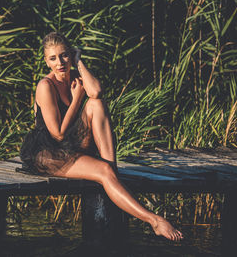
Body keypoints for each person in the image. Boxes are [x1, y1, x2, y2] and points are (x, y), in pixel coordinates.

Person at [19, 32, 183, 241]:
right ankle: (154, 221)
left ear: (71, 55)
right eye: (53, 58)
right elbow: (58, 134)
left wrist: (79, 62)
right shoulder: (46, 86)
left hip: (73, 145)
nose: (60, 63)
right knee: (103, 171)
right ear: (46, 61)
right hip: (49, 153)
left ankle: (111, 172)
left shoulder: (76, 76)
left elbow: (96, 92)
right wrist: (78, 97)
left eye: (64, 56)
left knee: (97, 104)